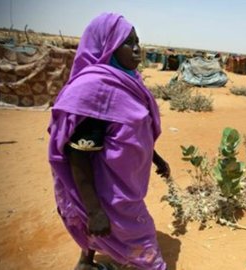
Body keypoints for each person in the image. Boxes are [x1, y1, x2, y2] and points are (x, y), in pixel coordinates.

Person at [48, 13, 170, 270]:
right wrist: (94, 211)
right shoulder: (97, 90)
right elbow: (78, 155)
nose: (138, 49)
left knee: (101, 233)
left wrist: (156, 158)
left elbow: (136, 131)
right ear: (109, 47)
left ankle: (86, 262)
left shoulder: (129, 81)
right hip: (108, 190)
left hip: (125, 180)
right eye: (129, 42)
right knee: (142, 239)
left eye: (138, 41)